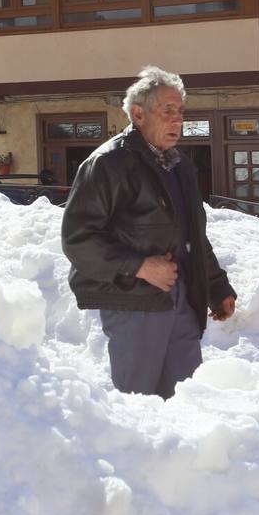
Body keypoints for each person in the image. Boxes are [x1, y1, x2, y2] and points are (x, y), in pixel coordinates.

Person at [62, 66, 238, 398]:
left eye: (181, 112)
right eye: (167, 111)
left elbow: (193, 235)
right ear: (138, 114)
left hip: (182, 300)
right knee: (139, 403)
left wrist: (216, 286)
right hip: (134, 302)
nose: (177, 120)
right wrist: (140, 266)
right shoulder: (107, 164)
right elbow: (78, 239)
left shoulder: (179, 166)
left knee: (186, 400)